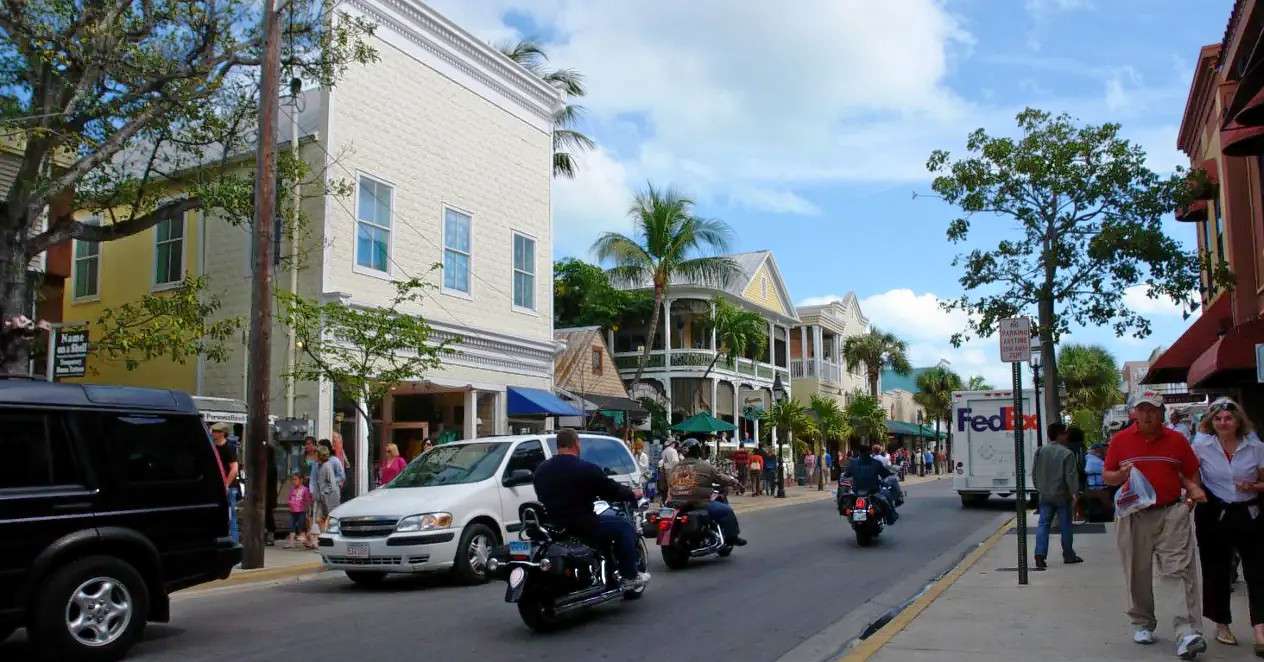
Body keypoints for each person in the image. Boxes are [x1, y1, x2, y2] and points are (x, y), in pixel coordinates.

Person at [1103, 390, 1207, 658]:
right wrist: (1121, 474)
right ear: (1135, 413)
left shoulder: (1177, 440)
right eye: (1143, 409)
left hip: (1172, 511)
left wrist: (1189, 497)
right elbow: (1108, 476)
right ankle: (1142, 622)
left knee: (1179, 570)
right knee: (1137, 571)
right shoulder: (1120, 440)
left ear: (1162, 413)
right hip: (1134, 515)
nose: (1148, 414)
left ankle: (1187, 633)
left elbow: (1190, 469)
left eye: (1153, 410)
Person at [1190, 397, 1264, 651]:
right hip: (1213, 511)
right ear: (1211, 422)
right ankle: (1222, 625)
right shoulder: (1201, 445)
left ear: (1238, 421)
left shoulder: (1255, 446)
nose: (1223, 422)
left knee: (1257, 572)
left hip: (1248, 511)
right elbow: (1191, 474)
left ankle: (1260, 632)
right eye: (1218, 418)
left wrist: (1253, 486)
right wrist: (1193, 490)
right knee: (1215, 570)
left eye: (1228, 418)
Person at [532, 429, 649, 590]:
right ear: (576, 444)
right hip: (583, 524)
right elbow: (610, 489)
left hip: (554, 524)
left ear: (558, 445)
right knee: (624, 527)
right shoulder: (585, 468)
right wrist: (632, 493)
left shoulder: (541, 470)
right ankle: (630, 576)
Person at [667, 439, 747, 546]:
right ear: (698, 451)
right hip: (698, 503)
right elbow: (720, 477)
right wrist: (735, 482)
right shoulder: (704, 466)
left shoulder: (675, 467)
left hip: (677, 503)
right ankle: (732, 538)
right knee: (727, 511)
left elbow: (668, 482)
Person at [1031, 422, 1083, 569]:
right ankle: (1068, 554)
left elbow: (1034, 473)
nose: (1067, 436)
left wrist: (1040, 488)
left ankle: (1039, 555)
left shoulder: (1040, 451)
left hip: (1045, 494)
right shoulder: (1067, 453)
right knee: (1066, 524)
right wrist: (1075, 493)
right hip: (1062, 495)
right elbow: (1071, 476)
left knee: (1043, 524)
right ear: (1060, 435)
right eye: (1065, 433)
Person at [841, 445, 897, 524]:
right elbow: (885, 474)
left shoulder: (853, 463)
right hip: (873, 490)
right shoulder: (876, 463)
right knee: (886, 497)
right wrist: (891, 475)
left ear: (859, 453)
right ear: (870, 452)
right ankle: (890, 518)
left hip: (857, 491)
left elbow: (846, 475)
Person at [211, 423, 240, 544]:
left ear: (222, 433)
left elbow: (234, 468)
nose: (213, 433)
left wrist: (226, 484)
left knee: (231, 514)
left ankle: (233, 540)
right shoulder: (213, 447)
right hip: (217, 486)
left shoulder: (229, 448)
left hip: (229, 487)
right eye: (213, 431)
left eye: (216, 431)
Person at [314, 447, 341, 533]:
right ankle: (322, 537)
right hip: (322, 499)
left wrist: (324, 492)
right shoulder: (320, 466)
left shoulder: (327, 466)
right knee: (319, 519)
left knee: (329, 520)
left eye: (316, 454)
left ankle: (324, 537)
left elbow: (332, 484)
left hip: (329, 499)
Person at [285, 473, 312, 549]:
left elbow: (307, 500)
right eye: (293, 479)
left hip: (301, 511)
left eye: (295, 479)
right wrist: (290, 504)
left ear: (301, 480)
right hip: (292, 511)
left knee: (301, 526)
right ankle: (291, 543)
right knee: (291, 526)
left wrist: (307, 510)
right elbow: (290, 498)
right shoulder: (292, 489)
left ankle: (308, 542)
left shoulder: (305, 489)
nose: (294, 481)